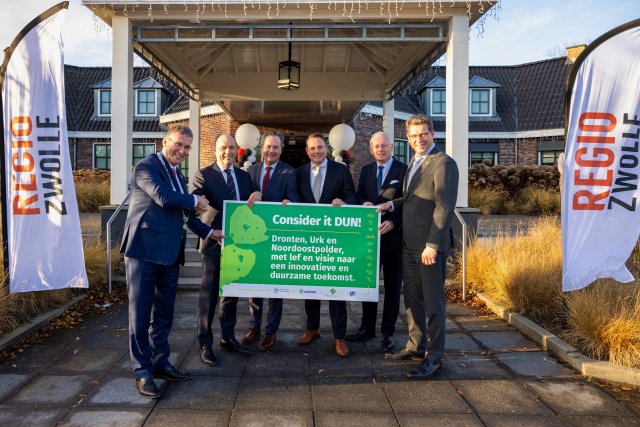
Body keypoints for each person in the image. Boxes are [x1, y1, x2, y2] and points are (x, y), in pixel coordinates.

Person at [121, 124, 220, 399]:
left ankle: (160, 362)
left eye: (187, 147)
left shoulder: (178, 174)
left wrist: (211, 232)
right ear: (165, 141)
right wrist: (194, 199)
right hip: (143, 252)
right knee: (139, 315)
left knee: (163, 314)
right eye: (178, 144)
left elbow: (184, 216)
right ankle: (142, 372)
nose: (182, 151)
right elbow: (164, 198)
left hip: (169, 254)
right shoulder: (146, 166)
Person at [378, 114, 459, 379]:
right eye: (413, 136)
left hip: (428, 248)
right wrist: (391, 204)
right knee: (412, 299)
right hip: (408, 245)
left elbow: (444, 207)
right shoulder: (414, 161)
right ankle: (415, 344)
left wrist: (433, 245)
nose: (418, 140)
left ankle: (434, 358)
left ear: (433, 134)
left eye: (423, 134)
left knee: (434, 305)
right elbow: (412, 199)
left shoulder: (444, 163)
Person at [193, 133, 262, 364]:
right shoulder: (203, 175)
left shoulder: (244, 176)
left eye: (232, 148)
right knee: (209, 295)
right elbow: (193, 205)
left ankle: (227, 337)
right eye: (224, 147)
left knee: (230, 294)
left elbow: (253, 201)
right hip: (214, 243)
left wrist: (258, 194)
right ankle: (204, 343)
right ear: (216, 149)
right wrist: (204, 222)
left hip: (237, 245)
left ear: (237, 150)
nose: (228, 152)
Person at [295, 133, 356, 357]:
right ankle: (312, 329)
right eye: (312, 148)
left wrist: (345, 202)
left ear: (326, 148)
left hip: (334, 240)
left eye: (320, 147)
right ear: (307, 151)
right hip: (308, 240)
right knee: (310, 288)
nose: (316, 151)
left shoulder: (341, 171)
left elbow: (352, 196)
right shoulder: (299, 173)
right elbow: (294, 200)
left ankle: (339, 337)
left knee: (335, 290)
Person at [346, 131, 407, 353]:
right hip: (370, 239)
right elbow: (360, 194)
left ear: (391, 147)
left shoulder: (404, 170)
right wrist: (363, 203)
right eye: (376, 147)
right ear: (371, 149)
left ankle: (388, 332)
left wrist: (393, 222)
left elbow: (407, 202)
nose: (380, 150)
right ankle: (367, 328)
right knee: (368, 285)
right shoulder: (366, 170)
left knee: (392, 288)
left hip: (393, 238)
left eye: (384, 146)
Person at [240, 130, 300, 351]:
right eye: (268, 146)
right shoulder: (252, 170)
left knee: (275, 287)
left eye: (276, 147)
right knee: (255, 283)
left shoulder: (289, 172)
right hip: (255, 237)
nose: (271, 150)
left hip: (276, 238)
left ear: (281, 150)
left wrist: (287, 202)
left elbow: (294, 199)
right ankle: (254, 326)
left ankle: (270, 331)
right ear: (261, 148)